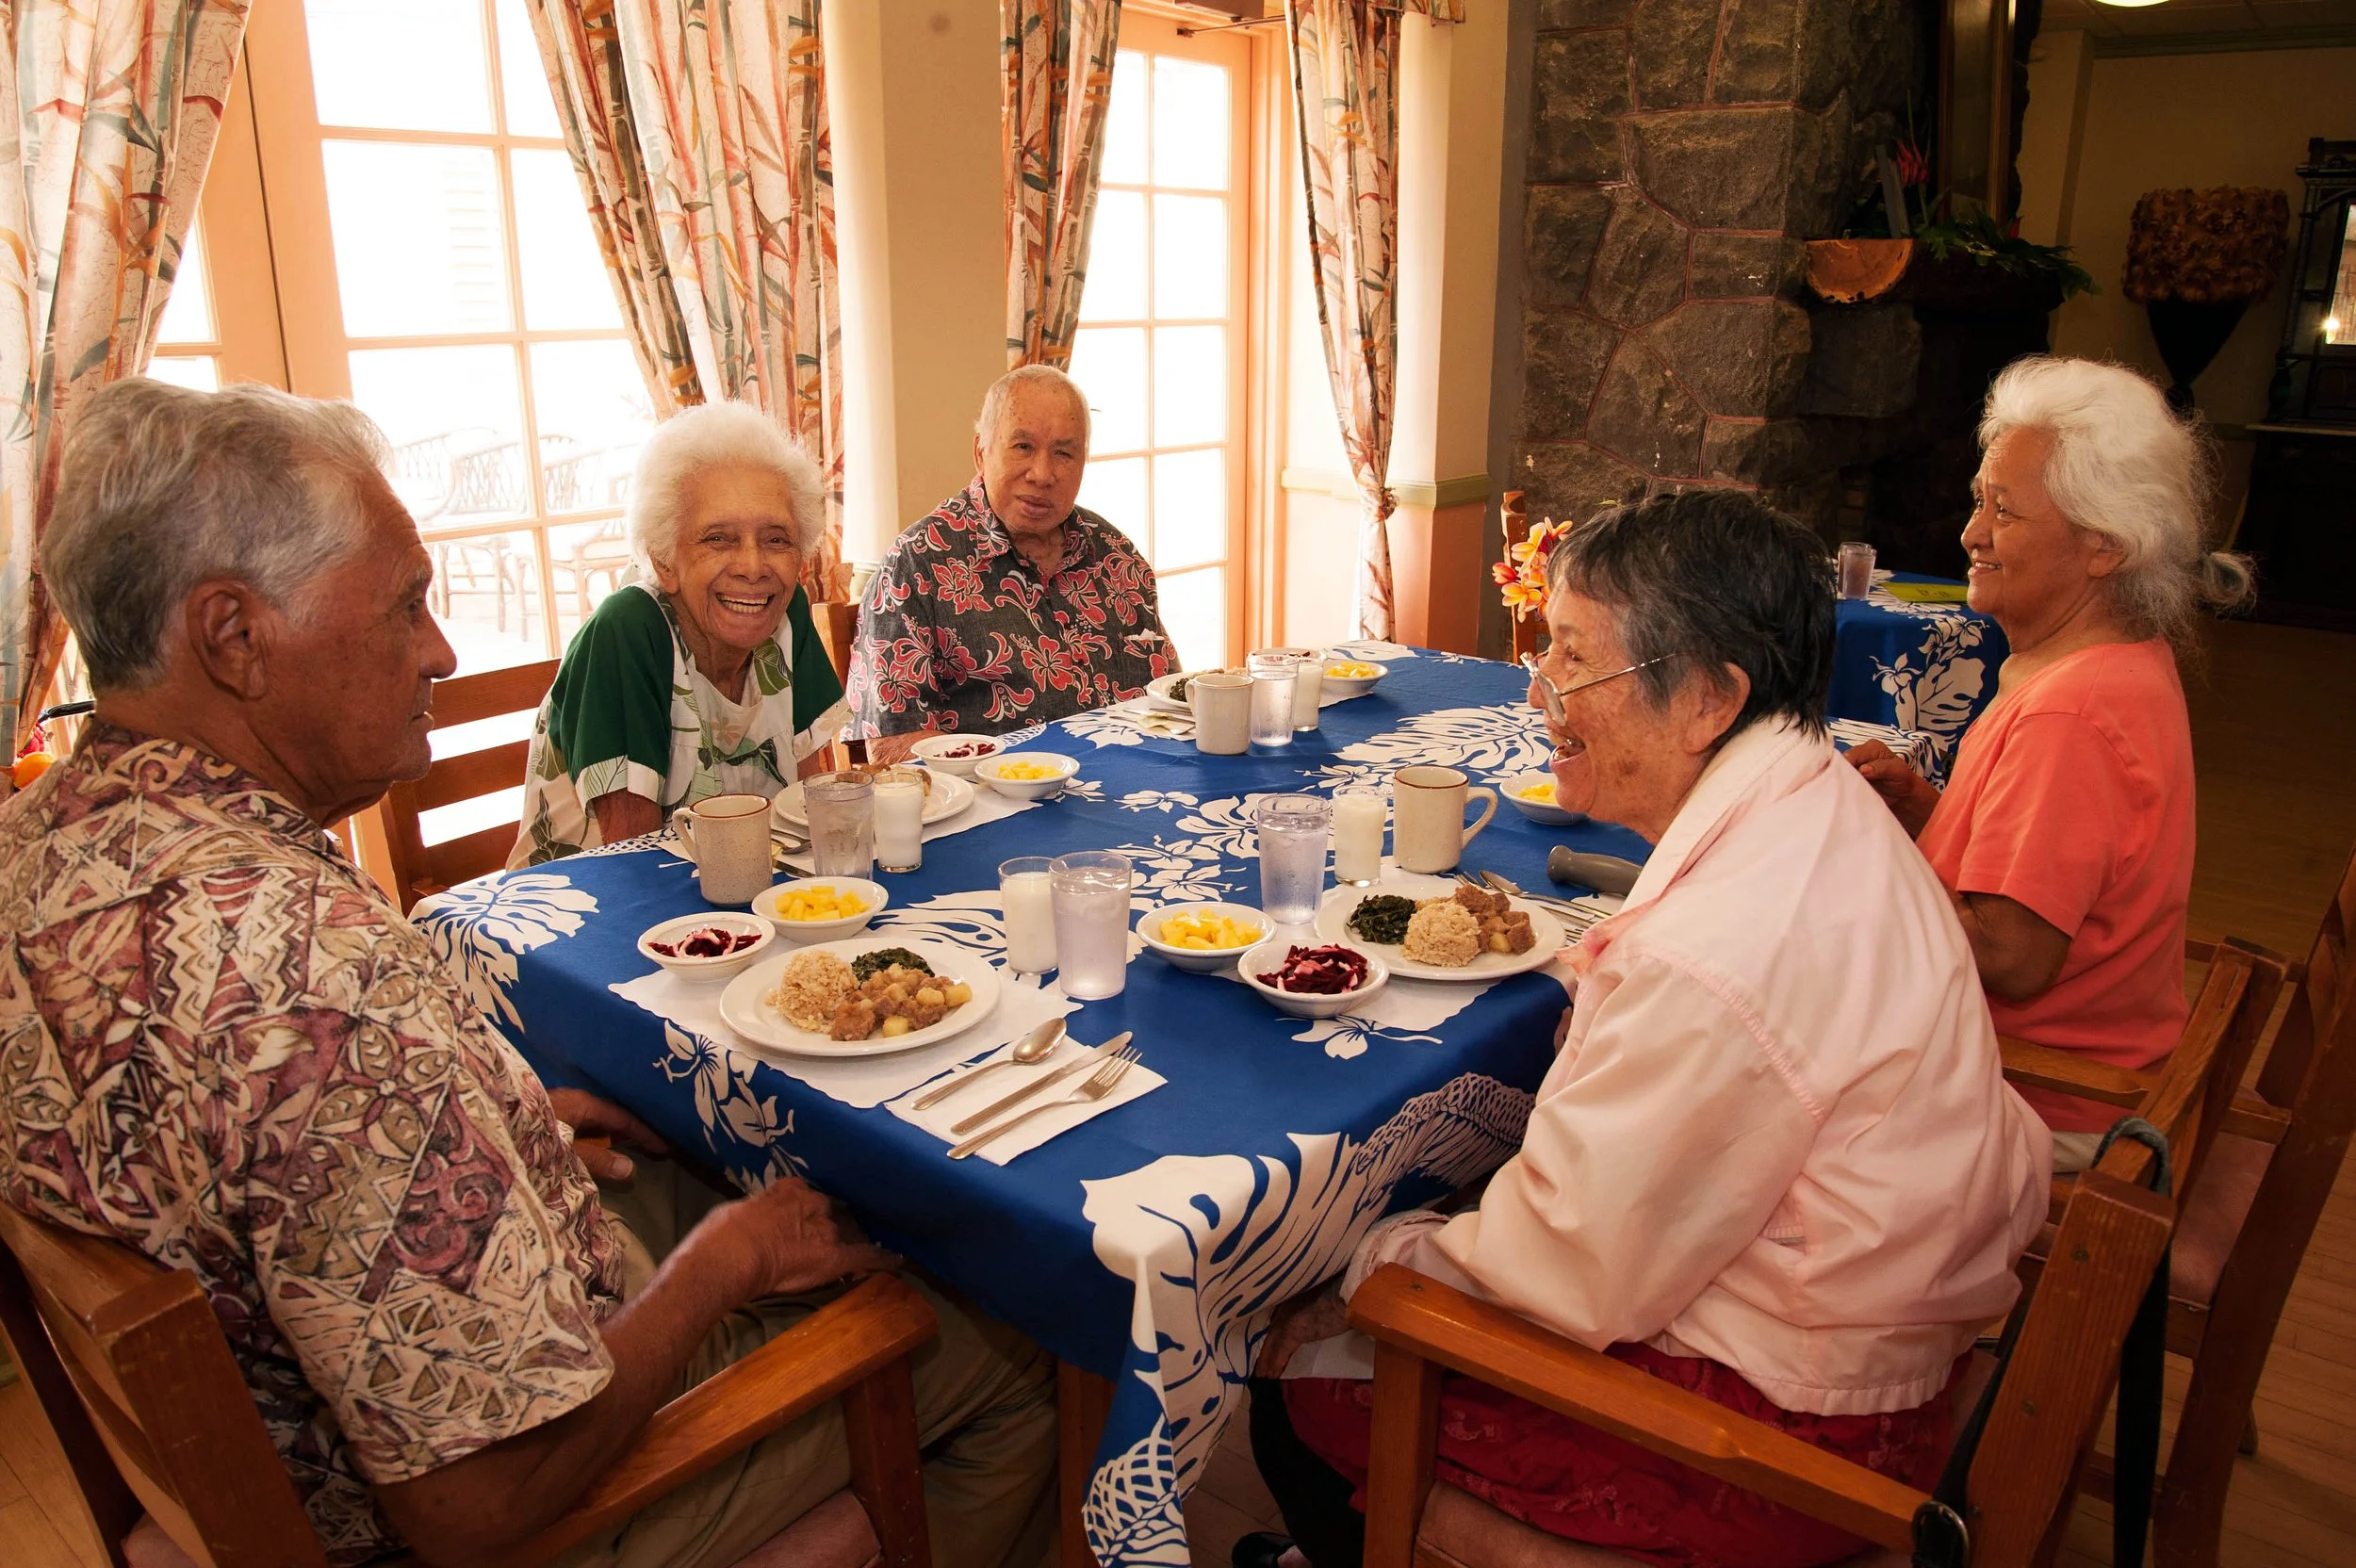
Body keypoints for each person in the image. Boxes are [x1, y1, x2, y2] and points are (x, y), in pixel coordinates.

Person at [2, 379, 1055, 1568]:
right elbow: (484, 1503)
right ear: (234, 635)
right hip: (496, 1499)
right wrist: (726, 1264)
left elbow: (243, 1145)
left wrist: (497, 1118)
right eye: (407, 605)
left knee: (747, 1168)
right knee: (1008, 1336)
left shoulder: (37, 847)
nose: (442, 649)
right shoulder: (316, 975)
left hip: (327, 1383)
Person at [1241, 490, 2050, 1568]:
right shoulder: (1821, 795)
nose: (1541, 692)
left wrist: (1363, 1268)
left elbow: (1567, 1268)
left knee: (1297, 1383)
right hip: (1870, 1316)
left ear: (1709, 700)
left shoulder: (1717, 952)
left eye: (1574, 660)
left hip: (1795, 1425)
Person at [1846, 356, 2253, 1171]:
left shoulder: (2073, 713)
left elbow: (2013, 958)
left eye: (2006, 512)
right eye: (1977, 502)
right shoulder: (2112, 660)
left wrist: (1847, 883)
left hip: (2038, 1099)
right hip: (2057, 1063)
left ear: (2104, 544)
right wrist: (1929, 816)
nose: (1971, 536)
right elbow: (2062, 874)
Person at [511, 401, 847, 866]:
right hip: (597, 908)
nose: (753, 566)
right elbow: (630, 859)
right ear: (665, 560)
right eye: (718, 539)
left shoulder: (787, 611)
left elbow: (811, 808)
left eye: (776, 539)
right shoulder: (628, 630)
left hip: (745, 891)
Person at [846, 365, 1175, 762]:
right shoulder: (917, 565)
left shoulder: (1116, 556)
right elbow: (888, 743)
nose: (1042, 474)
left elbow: (1169, 697)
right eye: (1022, 447)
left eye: (1064, 454)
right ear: (980, 452)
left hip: (1133, 789)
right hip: (996, 806)